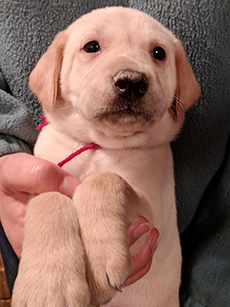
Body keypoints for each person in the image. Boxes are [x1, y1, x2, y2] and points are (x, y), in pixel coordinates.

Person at [0, 0, 229, 306]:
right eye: (92, 47)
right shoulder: (53, 138)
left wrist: (107, 192)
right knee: (49, 203)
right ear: (56, 73)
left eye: (158, 53)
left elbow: (140, 229)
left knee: (106, 189)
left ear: (178, 84)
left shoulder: (150, 146)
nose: (131, 76)